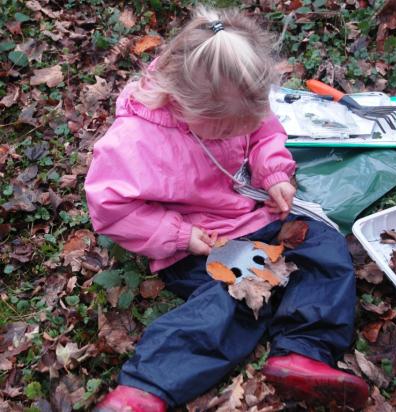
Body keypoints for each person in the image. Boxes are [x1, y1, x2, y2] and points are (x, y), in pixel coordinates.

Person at [85, 6, 368, 412]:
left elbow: (264, 132)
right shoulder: (136, 142)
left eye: (243, 123)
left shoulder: (236, 105)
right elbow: (109, 206)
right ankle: (145, 389)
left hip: (256, 217)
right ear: (179, 102)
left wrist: (273, 172)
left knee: (323, 247)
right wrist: (179, 235)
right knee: (238, 294)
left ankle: (303, 353)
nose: (237, 133)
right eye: (224, 130)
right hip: (200, 241)